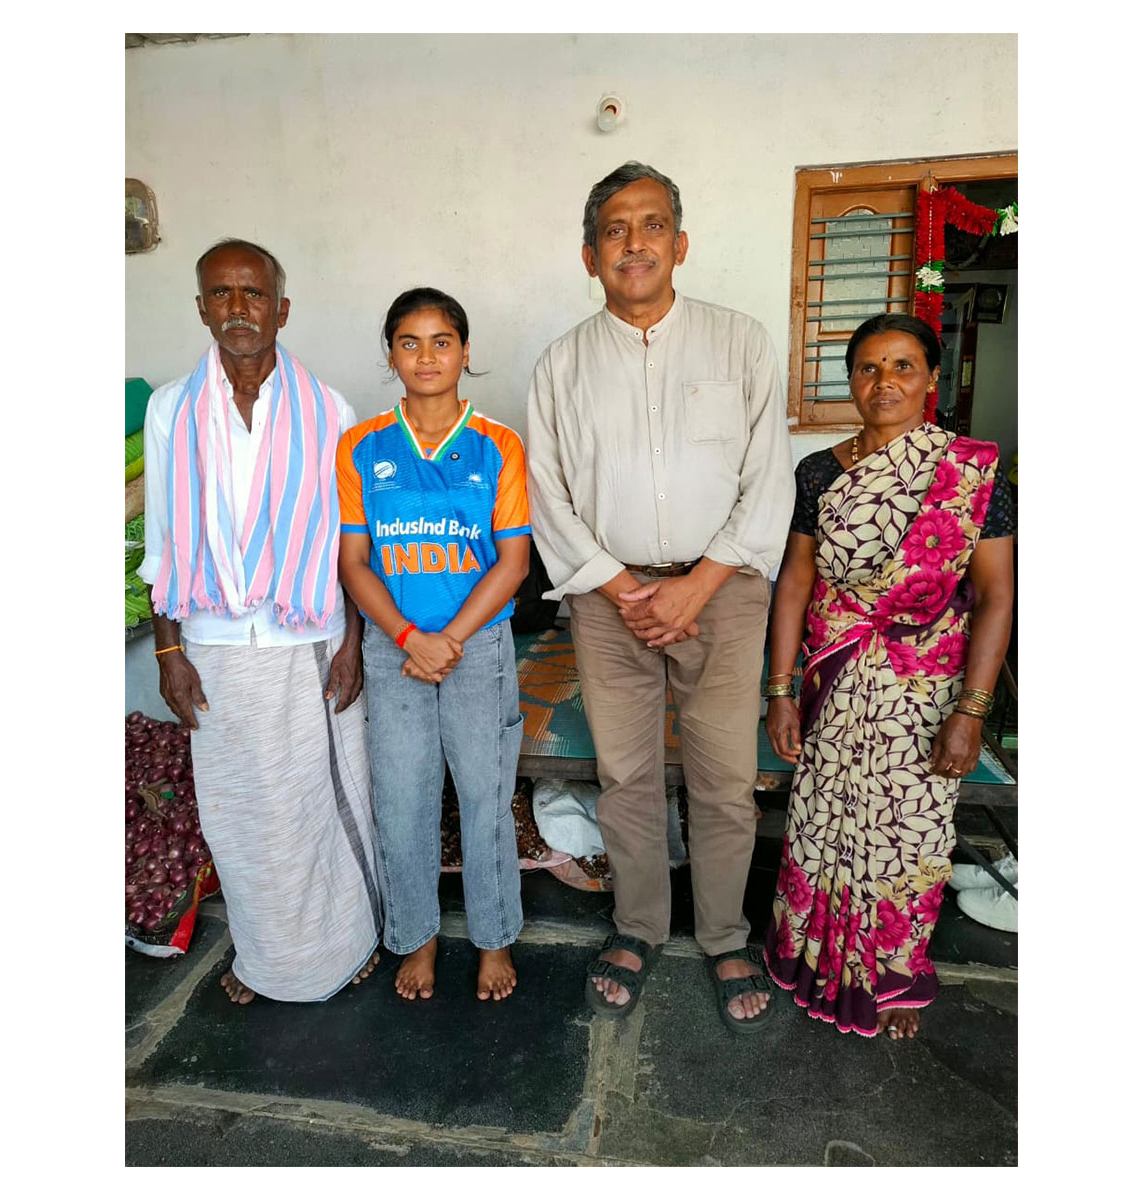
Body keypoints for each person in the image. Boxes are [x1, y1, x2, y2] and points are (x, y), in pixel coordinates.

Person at [527, 162, 795, 1033]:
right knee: (628, 775)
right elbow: (547, 493)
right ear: (589, 253)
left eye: (650, 226)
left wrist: (698, 584)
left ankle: (723, 934)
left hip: (722, 592)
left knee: (722, 779)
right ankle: (639, 925)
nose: (633, 242)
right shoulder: (562, 364)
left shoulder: (742, 342)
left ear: (680, 244)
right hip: (609, 600)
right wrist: (622, 585)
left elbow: (768, 480)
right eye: (615, 228)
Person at [138, 238, 381, 1005]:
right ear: (202, 308)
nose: (237, 308)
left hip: (307, 641)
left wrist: (353, 641)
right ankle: (267, 956)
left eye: (253, 293)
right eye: (221, 293)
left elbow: (349, 542)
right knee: (240, 816)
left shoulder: (329, 409)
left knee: (322, 800)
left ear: (282, 308)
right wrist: (169, 650)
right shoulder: (171, 408)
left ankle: (347, 944)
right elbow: (166, 538)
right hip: (212, 646)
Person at [762, 312, 1015, 1040]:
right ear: (851, 381)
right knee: (820, 824)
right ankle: (812, 960)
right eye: (869, 368)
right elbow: (794, 582)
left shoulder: (969, 473)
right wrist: (780, 690)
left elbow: (998, 594)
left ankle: (891, 976)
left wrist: (971, 710)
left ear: (932, 379)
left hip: (925, 692)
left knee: (909, 832)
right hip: (835, 682)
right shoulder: (819, 472)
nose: (885, 382)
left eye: (904, 366)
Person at [337, 288, 532, 1004]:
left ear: (466, 352)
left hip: (477, 647)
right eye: (410, 342)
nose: (426, 356)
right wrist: (408, 637)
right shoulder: (361, 446)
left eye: (442, 341)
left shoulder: (498, 444)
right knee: (403, 798)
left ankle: (494, 938)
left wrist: (446, 639)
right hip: (396, 650)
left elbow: (512, 561)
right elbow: (355, 561)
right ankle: (416, 935)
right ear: (390, 354)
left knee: (484, 796)